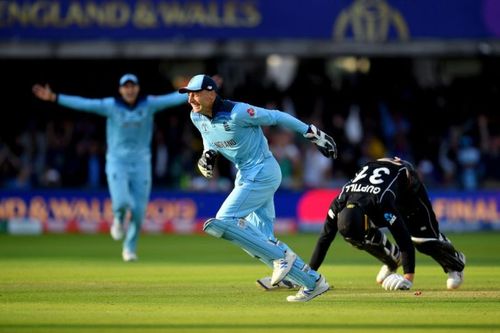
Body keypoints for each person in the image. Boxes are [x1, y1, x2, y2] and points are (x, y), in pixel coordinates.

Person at [178, 74, 337, 302]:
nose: (191, 98)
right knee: (259, 236)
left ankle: (281, 255)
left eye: (195, 93)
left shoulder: (239, 112)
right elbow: (208, 139)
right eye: (188, 94)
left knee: (225, 220)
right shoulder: (196, 116)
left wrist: (312, 134)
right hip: (244, 174)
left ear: (211, 94)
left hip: (264, 171)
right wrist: (206, 155)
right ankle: (312, 281)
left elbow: (277, 116)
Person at [32, 74, 187, 262]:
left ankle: (129, 249)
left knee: (138, 211)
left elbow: (173, 98)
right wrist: (55, 97)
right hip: (117, 161)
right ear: (121, 90)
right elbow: (84, 103)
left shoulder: (149, 104)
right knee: (121, 202)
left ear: (137, 88)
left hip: (141, 163)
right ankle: (119, 219)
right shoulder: (111, 105)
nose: (129, 90)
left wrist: (200, 89)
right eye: (126, 87)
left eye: (132, 86)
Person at [307, 156, 466, 291]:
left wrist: (407, 279)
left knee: (422, 241)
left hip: (407, 188)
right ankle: (392, 260)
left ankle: (455, 263)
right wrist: (308, 276)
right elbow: (324, 239)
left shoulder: (382, 202)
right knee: (360, 237)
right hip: (378, 182)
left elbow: (403, 239)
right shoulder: (338, 203)